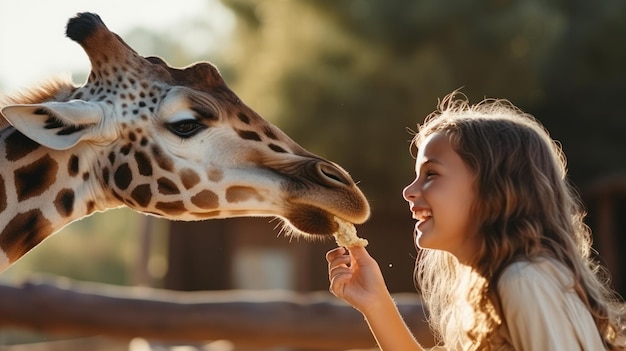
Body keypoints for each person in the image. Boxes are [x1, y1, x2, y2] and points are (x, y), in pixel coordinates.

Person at [326, 91, 626, 350]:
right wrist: (376, 303)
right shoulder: (514, 281)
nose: (409, 191)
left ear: (493, 188)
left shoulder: (523, 281)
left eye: (431, 174)